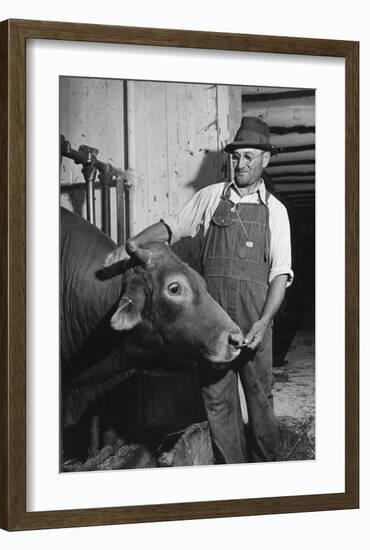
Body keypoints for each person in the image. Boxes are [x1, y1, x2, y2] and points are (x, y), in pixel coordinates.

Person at [104, 116, 293, 463]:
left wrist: (265, 321)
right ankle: (231, 476)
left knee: (259, 400)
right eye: (236, 156)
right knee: (218, 402)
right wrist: (130, 244)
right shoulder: (210, 198)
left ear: (265, 159)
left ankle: (267, 475)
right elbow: (171, 227)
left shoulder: (276, 213)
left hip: (254, 322)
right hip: (212, 321)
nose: (241, 163)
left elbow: (280, 275)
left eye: (250, 156)